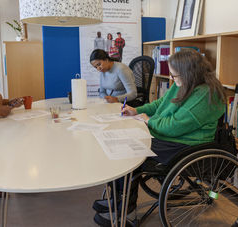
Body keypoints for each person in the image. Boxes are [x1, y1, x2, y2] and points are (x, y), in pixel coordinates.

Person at [93, 49, 226, 225]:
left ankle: (125, 207)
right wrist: (137, 111)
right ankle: (118, 199)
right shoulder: (183, 83)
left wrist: (148, 121)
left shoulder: (205, 94)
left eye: (175, 75)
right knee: (119, 145)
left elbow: (174, 126)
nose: (172, 79)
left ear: (189, 73)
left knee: (128, 153)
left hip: (186, 145)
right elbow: (159, 105)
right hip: (170, 137)